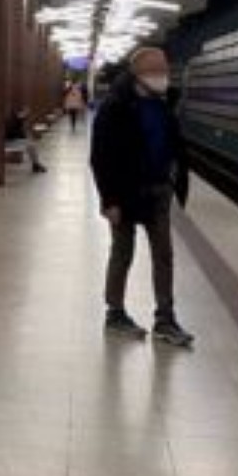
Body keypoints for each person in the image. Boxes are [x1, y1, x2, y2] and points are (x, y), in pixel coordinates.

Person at [90, 46, 193, 346]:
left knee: (164, 255)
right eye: (156, 70)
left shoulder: (164, 104)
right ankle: (115, 313)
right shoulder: (115, 107)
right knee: (123, 252)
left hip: (158, 191)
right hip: (125, 193)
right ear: (138, 73)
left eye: (164, 69)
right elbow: (100, 157)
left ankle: (165, 319)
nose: (163, 75)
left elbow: (173, 143)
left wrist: (174, 179)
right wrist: (109, 200)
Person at [5, 107, 46, 174]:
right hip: (9, 142)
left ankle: (36, 164)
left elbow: (21, 133)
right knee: (31, 145)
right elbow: (13, 133)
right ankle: (36, 165)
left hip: (12, 140)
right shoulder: (14, 120)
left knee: (31, 144)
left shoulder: (16, 120)